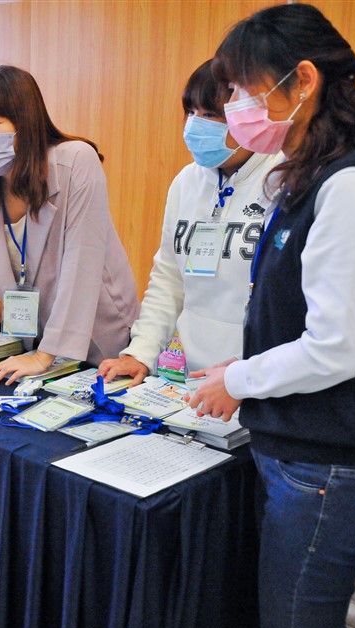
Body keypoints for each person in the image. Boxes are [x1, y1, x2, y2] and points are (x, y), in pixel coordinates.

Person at [188, 5, 355, 628]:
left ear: (304, 80)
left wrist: (238, 379)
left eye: (241, 87)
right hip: (302, 458)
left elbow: (336, 347)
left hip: (328, 471)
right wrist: (241, 369)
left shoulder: (351, 186)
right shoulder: (309, 177)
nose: (232, 105)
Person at [0, 65, 139, 383]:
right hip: (33, 343)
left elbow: (82, 265)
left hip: (100, 334)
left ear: (25, 123)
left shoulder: (76, 161)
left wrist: (44, 355)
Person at [98, 60, 281, 386]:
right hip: (183, 375)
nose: (195, 125)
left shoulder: (283, 180)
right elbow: (169, 278)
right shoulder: (187, 181)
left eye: (210, 114)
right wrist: (140, 352)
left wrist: (246, 378)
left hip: (249, 379)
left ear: (247, 116)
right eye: (191, 112)